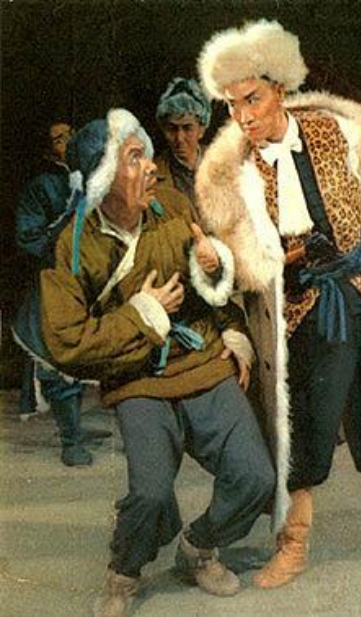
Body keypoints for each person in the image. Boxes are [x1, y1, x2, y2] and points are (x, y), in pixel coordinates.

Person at [195, 19, 361, 589]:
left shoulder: (338, 133)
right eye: (232, 105)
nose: (243, 116)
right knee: (300, 433)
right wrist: (224, 261)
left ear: (279, 89)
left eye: (253, 99)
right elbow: (235, 262)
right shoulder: (234, 175)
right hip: (299, 308)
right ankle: (293, 545)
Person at [38, 109, 275, 615]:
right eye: (134, 158)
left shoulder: (172, 206)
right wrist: (143, 314)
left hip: (201, 360)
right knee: (148, 494)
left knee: (256, 477)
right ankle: (124, 571)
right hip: (138, 379)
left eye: (146, 154)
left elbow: (206, 284)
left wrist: (226, 308)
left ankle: (199, 546)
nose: (150, 166)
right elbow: (66, 341)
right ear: (103, 180)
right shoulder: (75, 247)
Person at [13, 120, 109, 465]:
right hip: (57, 283)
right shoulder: (43, 187)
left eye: (70, 135)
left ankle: (79, 427)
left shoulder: (95, 178)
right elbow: (28, 238)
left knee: (92, 353)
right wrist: (63, 240)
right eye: (58, 139)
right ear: (47, 150)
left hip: (93, 282)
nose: (67, 142)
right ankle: (71, 440)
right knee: (58, 361)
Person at [154, 77, 211, 213]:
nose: (179, 138)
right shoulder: (154, 174)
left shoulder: (222, 161)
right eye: (172, 129)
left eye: (187, 128)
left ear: (201, 130)